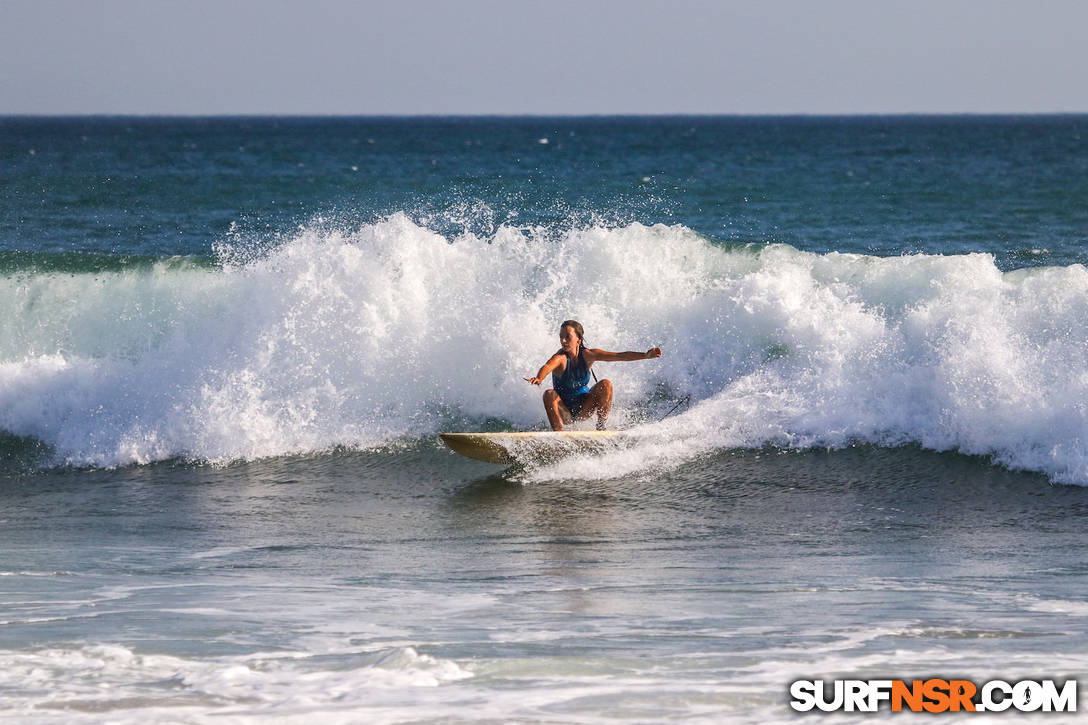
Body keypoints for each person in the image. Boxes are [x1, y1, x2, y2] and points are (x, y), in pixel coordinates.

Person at [523, 320, 662, 431]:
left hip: (585, 408)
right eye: (561, 337)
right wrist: (539, 377)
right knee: (548, 394)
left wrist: (645, 355)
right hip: (564, 411)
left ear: (578, 340)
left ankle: (601, 428)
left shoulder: (589, 355)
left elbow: (621, 356)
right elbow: (547, 366)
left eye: (567, 337)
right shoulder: (560, 358)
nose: (563, 341)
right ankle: (560, 436)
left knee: (606, 384)